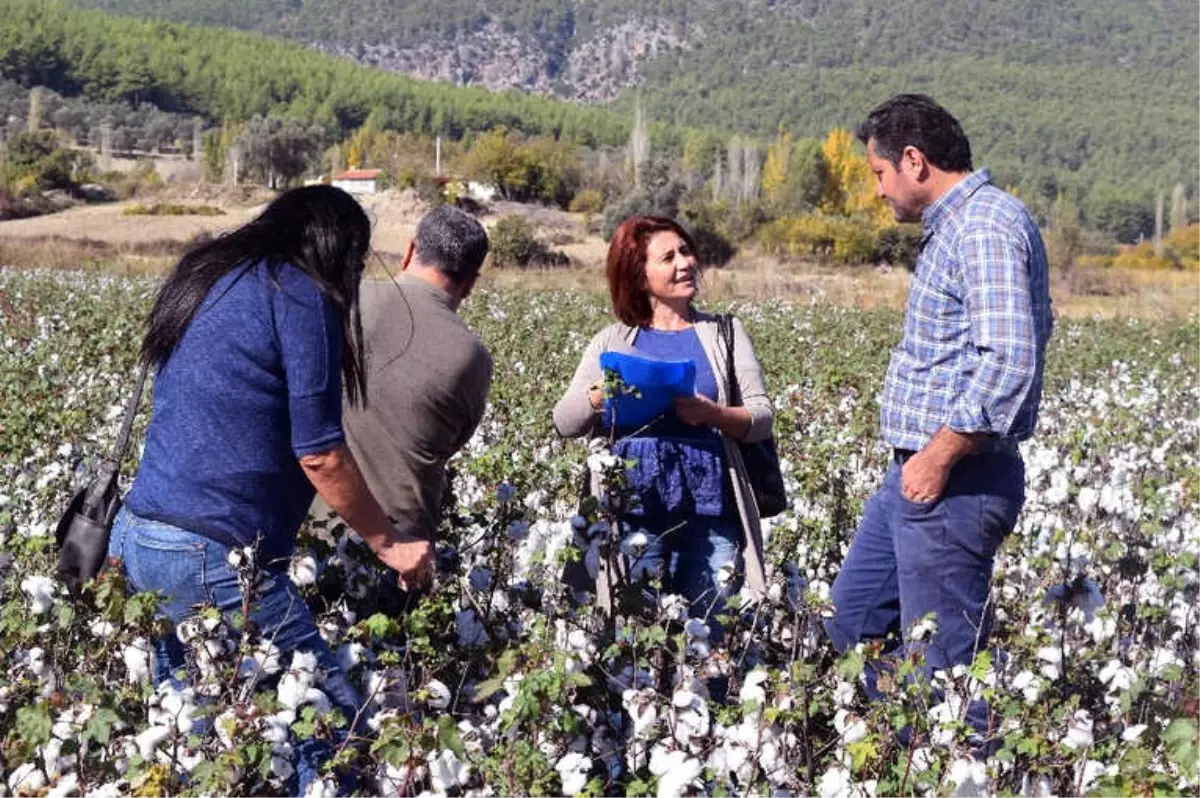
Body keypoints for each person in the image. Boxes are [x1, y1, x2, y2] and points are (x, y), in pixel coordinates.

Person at [108, 185, 434, 794]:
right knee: (331, 730)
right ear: (337, 249)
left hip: (140, 539)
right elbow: (319, 452)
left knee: (197, 740)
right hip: (210, 555)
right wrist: (390, 544)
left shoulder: (212, 276)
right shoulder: (300, 291)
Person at [824, 94, 1054, 743]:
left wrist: (938, 456)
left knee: (944, 674)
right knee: (854, 624)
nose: (877, 191)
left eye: (878, 173)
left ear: (915, 161)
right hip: (920, 479)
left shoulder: (982, 226)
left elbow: (1010, 357)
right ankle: (894, 755)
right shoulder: (964, 225)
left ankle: (947, 763)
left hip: (953, 479)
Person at [553, 215, 773, 635]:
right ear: (638, 275)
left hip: (711, 509)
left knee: (710, 629)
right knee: (634, 633)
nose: (684, 263)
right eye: (668, 257)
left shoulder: (724, 333)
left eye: (686, 251)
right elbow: (564, 422)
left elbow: (761, 418)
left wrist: (714, 414)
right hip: (632, 509)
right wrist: (599, 395)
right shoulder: (611, 341)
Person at [342, 206, 492, 554]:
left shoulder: (345, 297)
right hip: (405, 544)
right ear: (470, 284)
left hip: (311, 533)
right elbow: (452, 441)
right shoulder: (472, 356)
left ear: (410, 251)